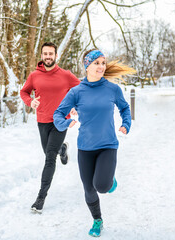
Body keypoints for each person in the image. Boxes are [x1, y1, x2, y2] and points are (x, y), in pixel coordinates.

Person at [53, 49, 134, 237]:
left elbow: (124, 108)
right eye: (97, 63)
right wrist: (66, 122)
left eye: (103, 63)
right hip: (85, 148)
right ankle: (97, 220)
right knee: (89, 189)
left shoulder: (112, 89)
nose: (101, 66)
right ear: (87, 66)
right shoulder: (76, 92)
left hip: (108, 145)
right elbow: (57, 114)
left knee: (102, 186)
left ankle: (108, 181)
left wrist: (126, 124)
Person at [20, 42, 81, 213]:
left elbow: (81, 89)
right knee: (48, 151)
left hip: (61, 120)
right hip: (43, 120)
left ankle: (40, 198)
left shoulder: (66, 75)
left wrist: (76, 103)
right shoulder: (34, 76)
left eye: (51, 53)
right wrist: (30, 101)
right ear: (41, 56)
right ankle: (62, 149)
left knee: (49, 158)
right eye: (45, 54)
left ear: (56, 55)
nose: (48, 56)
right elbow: (24, 92)